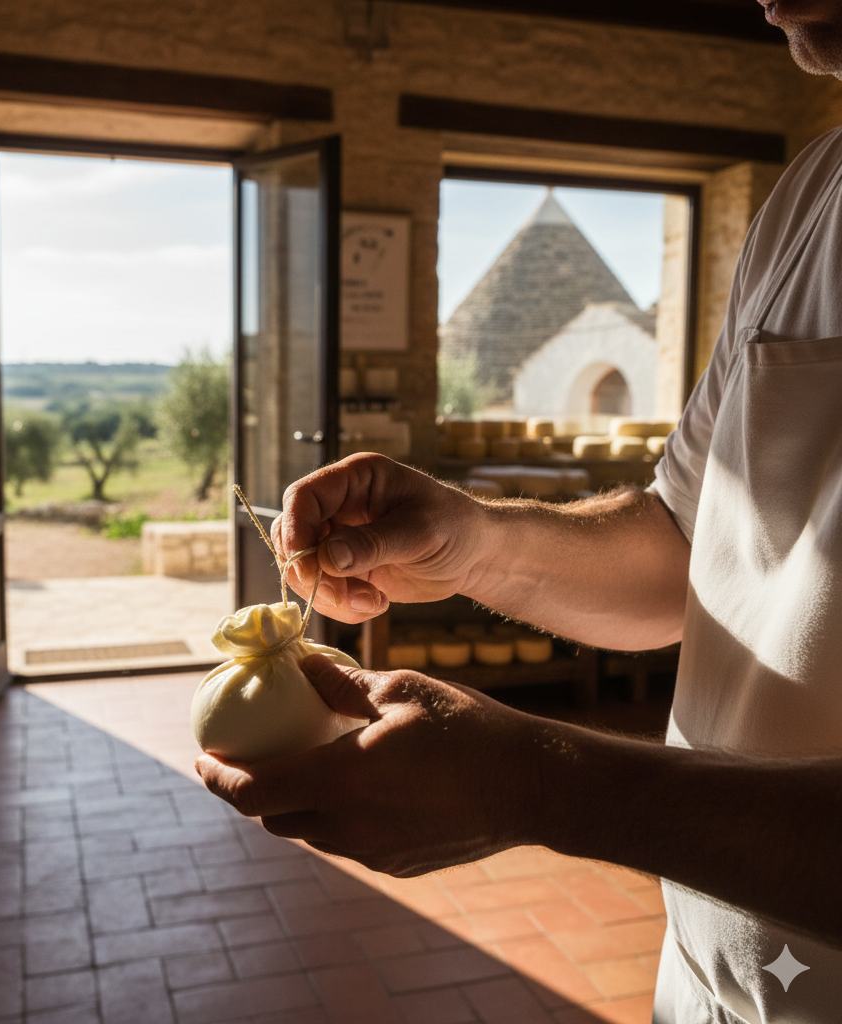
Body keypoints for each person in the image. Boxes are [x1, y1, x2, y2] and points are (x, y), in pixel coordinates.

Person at [198, 2, 842, 1019]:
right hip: (707, 989)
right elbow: (688, 546)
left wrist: (535, 784)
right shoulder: (810, 191)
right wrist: (472, 538)